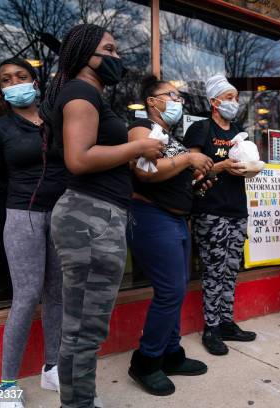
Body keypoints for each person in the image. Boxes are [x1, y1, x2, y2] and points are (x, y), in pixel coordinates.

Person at [39, 24, 164, 408]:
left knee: (82, 326)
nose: (117, 57)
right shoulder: (81, 94)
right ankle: (79, 404)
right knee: (84, 328)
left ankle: (78, 400)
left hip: (93, 217)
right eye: (109, 48)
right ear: (85, 54)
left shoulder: (89, 94)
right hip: (89, 219)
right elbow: (79, 159)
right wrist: (138, 146)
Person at [0, 57, 66, 408]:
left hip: (62, 215)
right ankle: (6, 385)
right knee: (27, 296)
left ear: (35, 80)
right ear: (0, 89)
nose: (14, 82)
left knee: (57, 293)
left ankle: (53, 367)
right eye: (5, 79)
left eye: (21, 76)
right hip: (22, 216)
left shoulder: (58, 121)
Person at [126, 76, 210, 395]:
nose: (177, 100)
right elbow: (144, 171)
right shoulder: (140, 127)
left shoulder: (169, 135)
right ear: (152, 100)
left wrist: (199, 174)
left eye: (179, 96)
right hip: (150, 216)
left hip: (175, 220)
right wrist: (189, 158)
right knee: (170, 290)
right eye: (170, 95)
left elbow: (170, 173)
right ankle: (146, 361)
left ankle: (171, 353)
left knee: (175, 289)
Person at [183, 74, 256, 356]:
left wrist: (249, 167)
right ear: (214, 102)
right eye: (228, 98)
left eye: (236, 98)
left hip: (237, 208)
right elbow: (192, 169)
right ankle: (210, 327)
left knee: (230, 268)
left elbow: (245, 164)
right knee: (214, 269)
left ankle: (226, 322)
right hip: (210, 209)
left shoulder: (238, 130)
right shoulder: (201, 129)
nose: (234, 103)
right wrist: (222, 166)